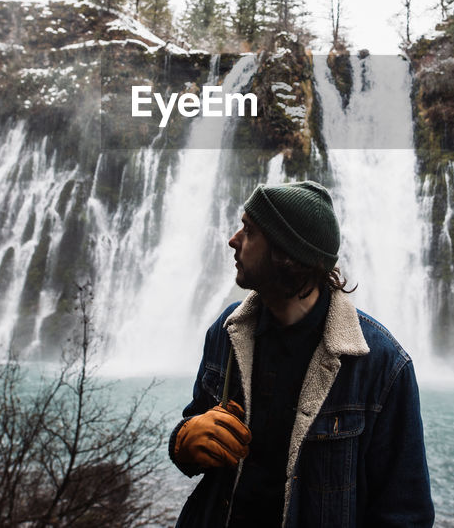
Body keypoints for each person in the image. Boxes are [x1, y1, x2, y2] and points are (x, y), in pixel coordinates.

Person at [169, 181, 434, 528]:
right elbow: (197, 434)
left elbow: (405, 513)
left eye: (249, 231)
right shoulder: (228, 330)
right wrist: (183, 442)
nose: (233, 240)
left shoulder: (381, 364)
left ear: (287, 254)